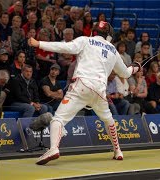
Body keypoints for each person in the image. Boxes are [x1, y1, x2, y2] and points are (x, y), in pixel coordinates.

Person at [28, 21, 141, 165]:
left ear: (94, 32)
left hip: (81, 86)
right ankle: (118, 151)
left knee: (58, 118)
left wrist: (39, 44)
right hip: (99, 91)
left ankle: (54, 149)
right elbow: (125, 73)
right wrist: (135, 68)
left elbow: (65, 47)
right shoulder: (113, 50)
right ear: (109, 37)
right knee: (108, 119)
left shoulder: (85, 41)